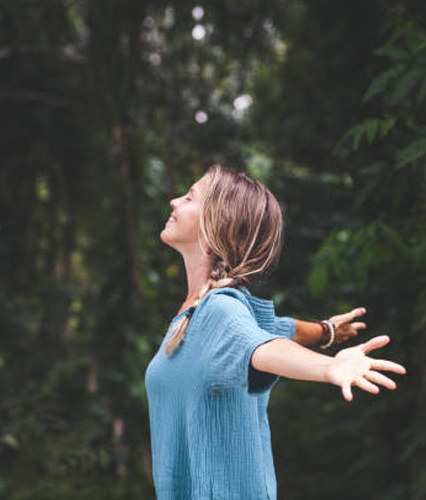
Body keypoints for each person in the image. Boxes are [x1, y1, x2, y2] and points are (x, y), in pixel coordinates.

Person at [145, 164, 406, 499]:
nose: (173, 202)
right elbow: (276, 329)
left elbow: (263, 348)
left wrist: (328, 367)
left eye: (189, 197)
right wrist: (324, 332)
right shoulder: (198, 314)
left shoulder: (221, 311)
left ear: (216, 223)